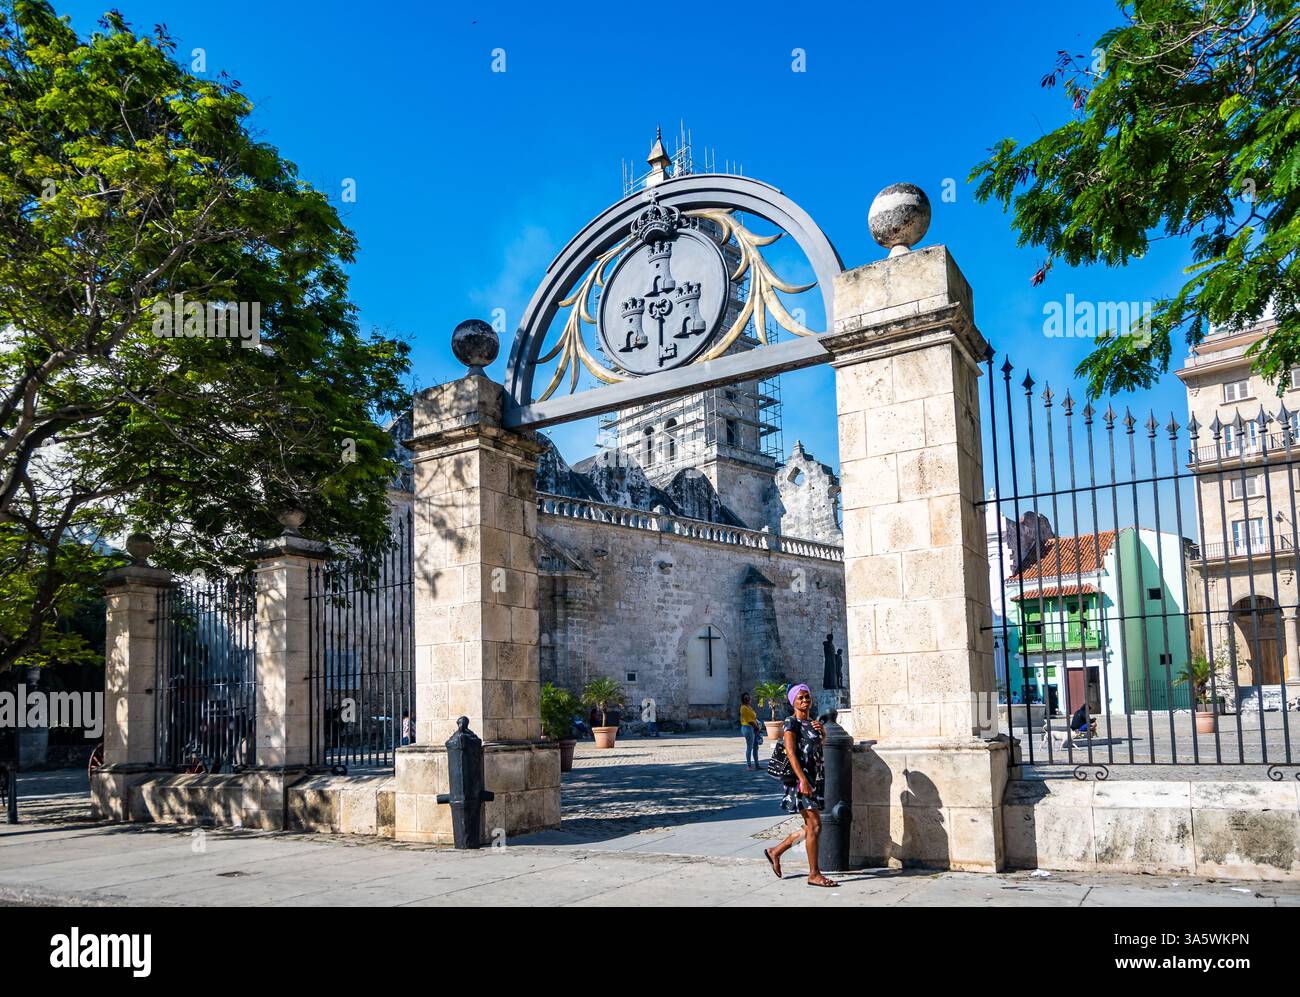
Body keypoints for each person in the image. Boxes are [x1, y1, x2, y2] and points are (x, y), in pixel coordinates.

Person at [763, 683, 837, 887]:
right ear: (793, 702)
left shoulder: (812, 723)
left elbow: (816, 749)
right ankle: (814, 874)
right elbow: (791, 752)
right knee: (815, 826)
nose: (805, 701)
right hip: (801, 781)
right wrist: (802, 779)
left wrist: (822, 732)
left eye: (807, 697)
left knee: (810, 827)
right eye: (801, 698)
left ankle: (776, 851)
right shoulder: (791, 723)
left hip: (815, 780)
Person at [739, 693, 762, 770]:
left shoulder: (749, 707)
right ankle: (749, 765)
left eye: (748, 698)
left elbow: (753, 718)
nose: (748, 699)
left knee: (756, 747)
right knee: (750, 747)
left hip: (753, 728)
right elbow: (748, 720)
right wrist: (756, 727)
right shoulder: (743, 708)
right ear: (743, 699)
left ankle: (757, 764)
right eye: (746, 698)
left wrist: (757, 725)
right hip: (748, 728)